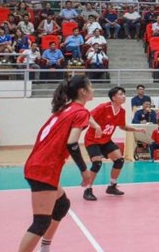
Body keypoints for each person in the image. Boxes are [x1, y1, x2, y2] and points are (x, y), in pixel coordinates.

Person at [17, 76, 95, 252]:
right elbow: (72, 143)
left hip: (38, 164)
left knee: (61, 205)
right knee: (41, 222)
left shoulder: (66, 109)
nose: (93, 89)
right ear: (82, 91)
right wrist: (84, 170)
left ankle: (45, 248)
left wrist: (95, 126)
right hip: (44, 168)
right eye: (90, 86)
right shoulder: (80, 112)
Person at [82, 87, 146, 202]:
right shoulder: (103, 107)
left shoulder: (122, 111)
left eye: (124, 94)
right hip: (93, 140)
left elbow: (122, 126)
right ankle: (88, 189)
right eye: (121, 94)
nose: (124, 96)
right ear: (113, 97)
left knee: (119, 160)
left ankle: (112, 186)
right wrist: (96, 126)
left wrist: (136, 129)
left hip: (106, 140)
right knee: (97, 163)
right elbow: (87, 116)